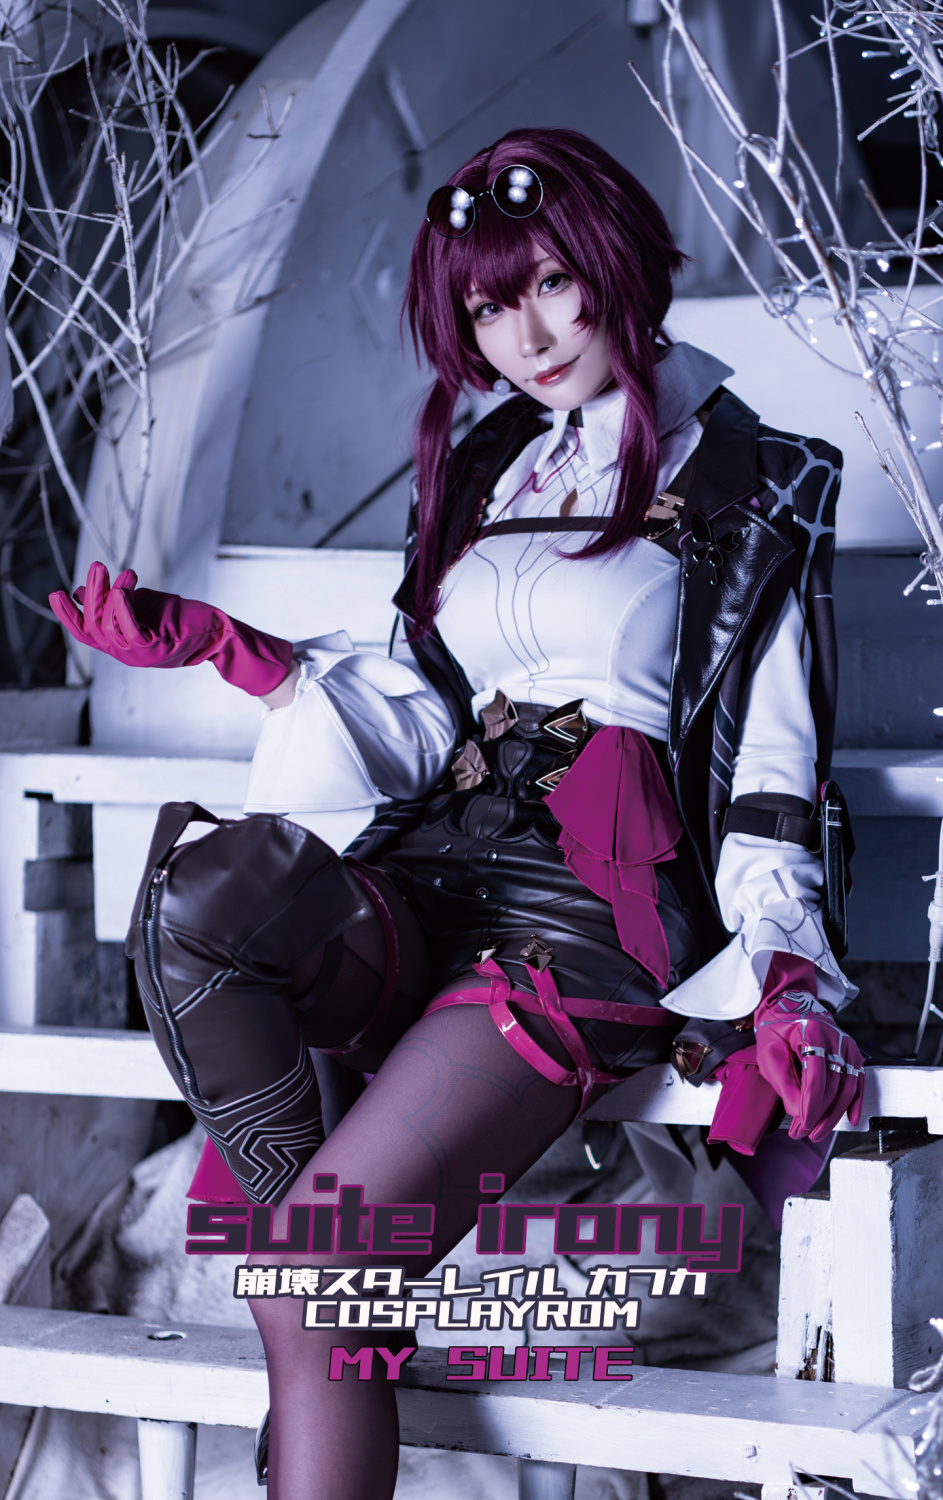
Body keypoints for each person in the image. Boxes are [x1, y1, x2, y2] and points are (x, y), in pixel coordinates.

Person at [51, 127, 865, 1500]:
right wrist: (224, 648)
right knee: (204, 898)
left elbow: (773, 771)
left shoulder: (758, 478)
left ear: (615, 264)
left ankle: (325, 1292)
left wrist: (785, 975)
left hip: (582, 918)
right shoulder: (494, 469)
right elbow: (416, 710)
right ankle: (330, 1293)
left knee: (314, 1279)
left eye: (551, 285)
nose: (525, 337)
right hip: (435, 871)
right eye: (489, 307)